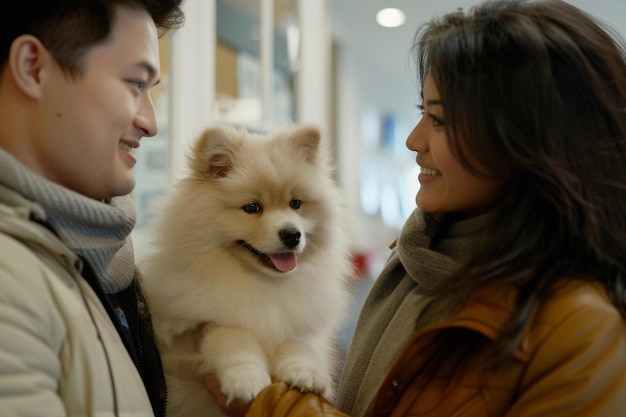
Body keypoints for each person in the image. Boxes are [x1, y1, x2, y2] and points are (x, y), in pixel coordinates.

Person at [215, 0, 626, 416]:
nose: (414, 140)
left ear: (527, 139)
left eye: (439, 119)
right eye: (421, 112)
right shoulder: (414, 259)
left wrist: (270, 405)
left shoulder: (584, 331)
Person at [0, 1, 184, 416]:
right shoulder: (10, 282)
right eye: (136, 84)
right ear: (33, 68)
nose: (151, 122)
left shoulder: (106, 260)